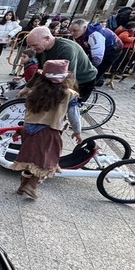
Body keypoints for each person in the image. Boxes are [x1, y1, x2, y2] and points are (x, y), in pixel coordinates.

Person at [11, 59, 82, 200]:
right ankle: (31, 186)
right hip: (47, 131)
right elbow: (74, 116)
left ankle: (22, 186)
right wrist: (77, 131)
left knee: (30, 158)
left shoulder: (35, 91)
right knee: (45, 161)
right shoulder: (69, 94)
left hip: (28, 128)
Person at [26, 27, 97, 102]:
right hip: (61, 76)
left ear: (47, 38)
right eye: (30, 46)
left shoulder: (66, 49)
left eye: (35, 45)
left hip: (83, 79)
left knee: (66, 105)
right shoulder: (41, 50)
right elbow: (40, 71)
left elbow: (70, 78)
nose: (32, 49)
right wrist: (28, 87)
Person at [69, 19, 122, 86]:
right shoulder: (81, 33)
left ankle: (88, 90)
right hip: (94, 47)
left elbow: (97, 58)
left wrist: (88, 69)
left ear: (84, 27)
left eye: (75, 31)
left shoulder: (95, 35)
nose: (72, 33)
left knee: (96, 71)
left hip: (112, 49)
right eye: (70, 31)